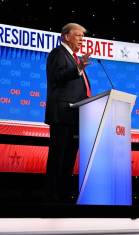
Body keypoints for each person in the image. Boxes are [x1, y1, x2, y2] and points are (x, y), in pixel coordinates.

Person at [44, 23, 92, 203]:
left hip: (75, 116)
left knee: (69, 157)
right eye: (78, 35)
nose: (82, 39)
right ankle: (51, 197)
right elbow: (58, 76)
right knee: (58, 156)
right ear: (66, 36)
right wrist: (79, 67)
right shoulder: (58, 53)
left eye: (83, 36)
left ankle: (62, 195)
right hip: (62, 114)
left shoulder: (74, 58)